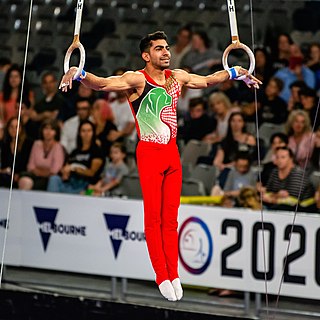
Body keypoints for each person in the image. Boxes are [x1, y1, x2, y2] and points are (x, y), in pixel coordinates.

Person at [59, 31, 261, 301]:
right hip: (150, 152)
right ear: (146, 55)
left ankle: (174, 273)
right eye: (159, 49)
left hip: (171, 154)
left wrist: (236, 71)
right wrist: (78, 72)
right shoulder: (137, 79)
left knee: (171, 220)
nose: (166, 52)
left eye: (167, 48)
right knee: (153, 219)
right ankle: (161, 275)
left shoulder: (177, 76)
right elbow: (103, 85)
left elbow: (208, 80)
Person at [47, 120, 104, 194]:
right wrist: (64, 172)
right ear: (79, 133)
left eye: (89, 131)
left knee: (88, 191)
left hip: (85, 185)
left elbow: (92, 173)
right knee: (54, 179)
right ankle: (52, 203)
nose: (86, 134)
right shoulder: (75, 152)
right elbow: (66, 166)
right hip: (70, 182)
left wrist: (74, 169)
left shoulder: (97, 152)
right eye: (83, 131)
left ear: (93, 133)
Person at [262, 146, 315, 212]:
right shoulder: (274, 172)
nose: (279, 160)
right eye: (277, 157)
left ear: (291, 159)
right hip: (275, 205)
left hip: (300, 208)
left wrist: (273, 197)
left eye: (283, 157)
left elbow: (293, 198)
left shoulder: (298, 173)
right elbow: (268, 191)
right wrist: (277, 195)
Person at [18, 119, 65, 190]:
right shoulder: (36, 144)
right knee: (25, 180)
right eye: (46, 128)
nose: (48, 132)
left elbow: (54, 171)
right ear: (42, 130)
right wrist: (45, 171)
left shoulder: (58, 147)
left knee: (40, 184)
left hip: (48, 179)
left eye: (52, 129)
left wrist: (39, 171)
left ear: (56, 132)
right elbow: (30, 166)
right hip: (34, 176)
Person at [0, 117, 34, 187]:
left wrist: (19, 174)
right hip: (5, 175)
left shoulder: (28, 143)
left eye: (17, 127)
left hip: (21, 175)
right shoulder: (4, 143)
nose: (14, 130)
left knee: (25, 182)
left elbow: (27, 164)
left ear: (21, 129)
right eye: (11, 127)